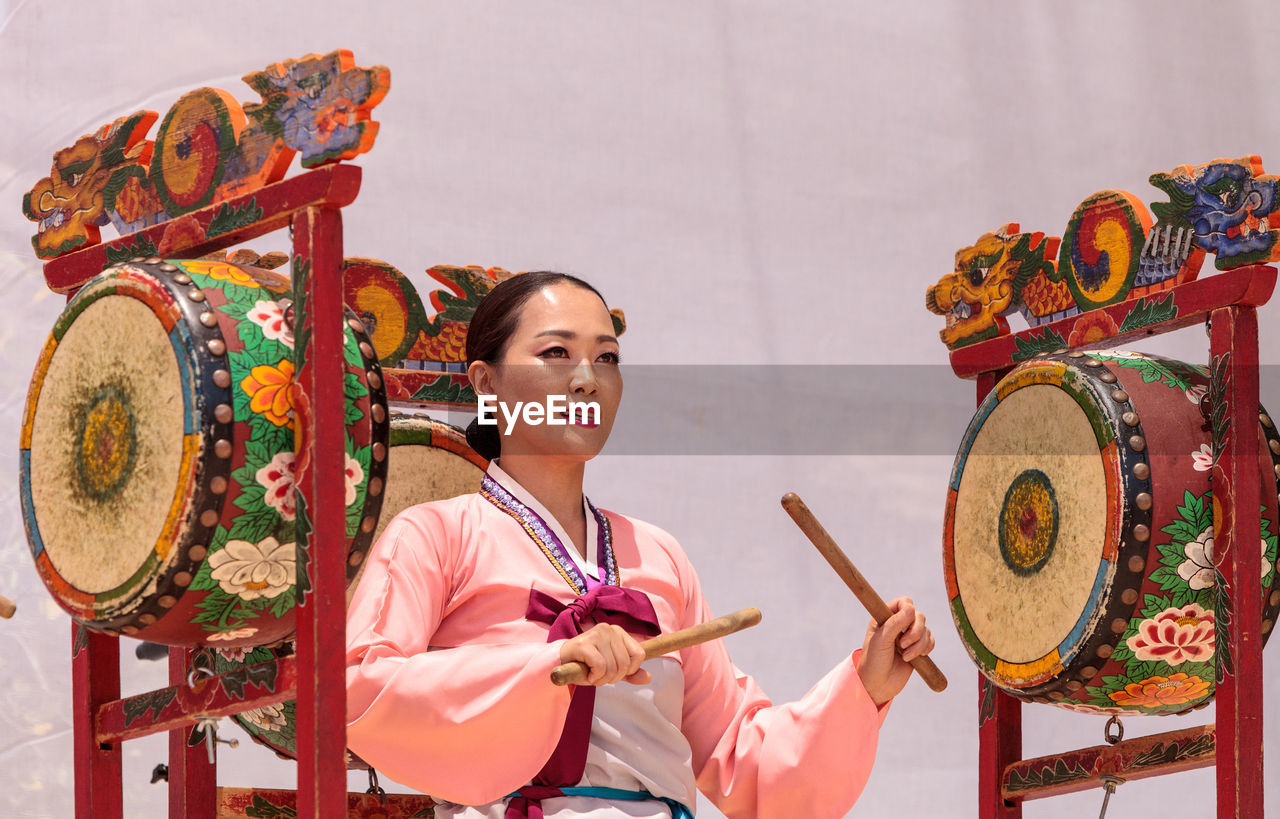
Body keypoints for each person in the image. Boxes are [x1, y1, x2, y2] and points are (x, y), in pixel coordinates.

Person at [344, 271, 935, 819]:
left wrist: (868, 686)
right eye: (556, 353)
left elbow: (740, 761)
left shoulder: (658, 555)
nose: (586, 378)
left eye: (607, 358)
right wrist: (545, 666)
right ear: (487, 383)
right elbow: (360, 693)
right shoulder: (435, 535)